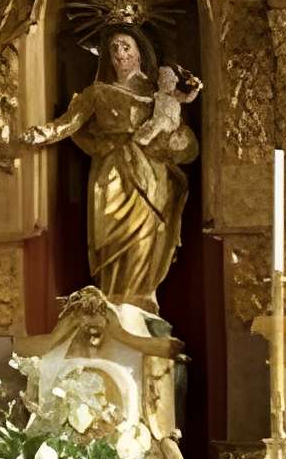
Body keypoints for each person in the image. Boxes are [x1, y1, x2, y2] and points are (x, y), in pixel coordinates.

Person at [20, 29, 200, 310]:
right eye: (114, 47)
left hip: (151, 176)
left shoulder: (160, 92)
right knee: (112, 237)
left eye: (126, 46)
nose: (120, 53)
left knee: (144, 238)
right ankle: (112, 305)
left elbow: (180, 135)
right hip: (111, 172)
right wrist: (41, 134)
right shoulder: (97, 93)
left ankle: (142, 302)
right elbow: (69, 122)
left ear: (140, 51)